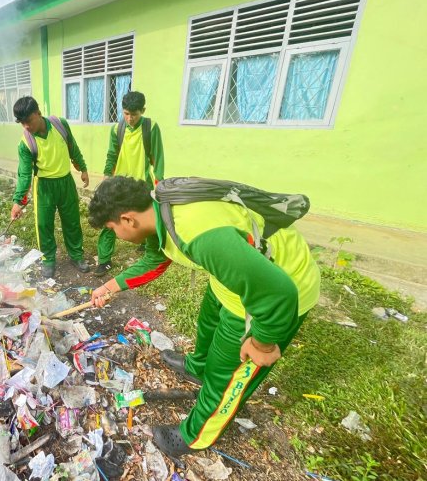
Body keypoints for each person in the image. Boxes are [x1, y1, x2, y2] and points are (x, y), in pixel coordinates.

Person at [88, 176, 320, 456]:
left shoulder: (198, 234)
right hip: (236, 277)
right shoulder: (160, 208)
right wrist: (109, 287)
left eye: (112, 229)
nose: (115, 236)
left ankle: (196, 435)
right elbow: (155, 260)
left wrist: (263, 343)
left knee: (227, 374)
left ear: (128, 219)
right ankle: (198, 368)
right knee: (208, 324)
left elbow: (277, 293)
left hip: (273, 291)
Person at [10, 96, 90, 279]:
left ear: (38, 113)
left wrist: (83, 168)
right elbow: (24, 175)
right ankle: (48, 260)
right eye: (22, 123)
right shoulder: (25, 143)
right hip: (44, 187)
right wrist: (18, 201)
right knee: (44, 225)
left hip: (66, 182)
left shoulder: (59, 125)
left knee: (72, 221)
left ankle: (76, 255)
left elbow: (73, 147)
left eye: (29, 121)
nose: (26, 126)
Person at [95, 91, 165, 277]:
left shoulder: (151, 127)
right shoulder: (116, 129)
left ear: (143, 111)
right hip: (119, 185)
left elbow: (157, 157)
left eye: (134, 114)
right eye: (126, 113)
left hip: (142, 184)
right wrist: (106, 176)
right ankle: (104, 260)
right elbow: (112, 154)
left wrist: (159, 181)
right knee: (110, 221)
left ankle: (148, 247)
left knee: (147, 218)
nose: (130, 118)